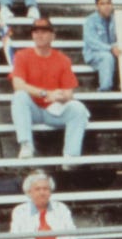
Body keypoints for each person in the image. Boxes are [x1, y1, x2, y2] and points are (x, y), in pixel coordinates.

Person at [9, 18, 91, 161]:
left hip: (53, 110)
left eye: (44, 32)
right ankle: (26, 144)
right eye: (36, 32)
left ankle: (71, 156)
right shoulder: (22, 55)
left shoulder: (62, 59)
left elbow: (69, 93)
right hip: (31, 110)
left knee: (78, 109)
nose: (39, 35)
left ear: (53, 36)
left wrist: (59, 96)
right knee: (19, 96)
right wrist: (46, 93)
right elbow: (18, 84)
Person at [82, 0, 120, 93]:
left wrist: (115, 47)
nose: (106, 6)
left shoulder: (116, 19)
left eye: (108, 3)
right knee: (106, 57)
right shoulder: (90, 21)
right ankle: (105, 89)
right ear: (97, 6)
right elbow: (92, 42)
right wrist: (110, 48)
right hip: (94, 54)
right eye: (102, 4)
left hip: (112, 52)